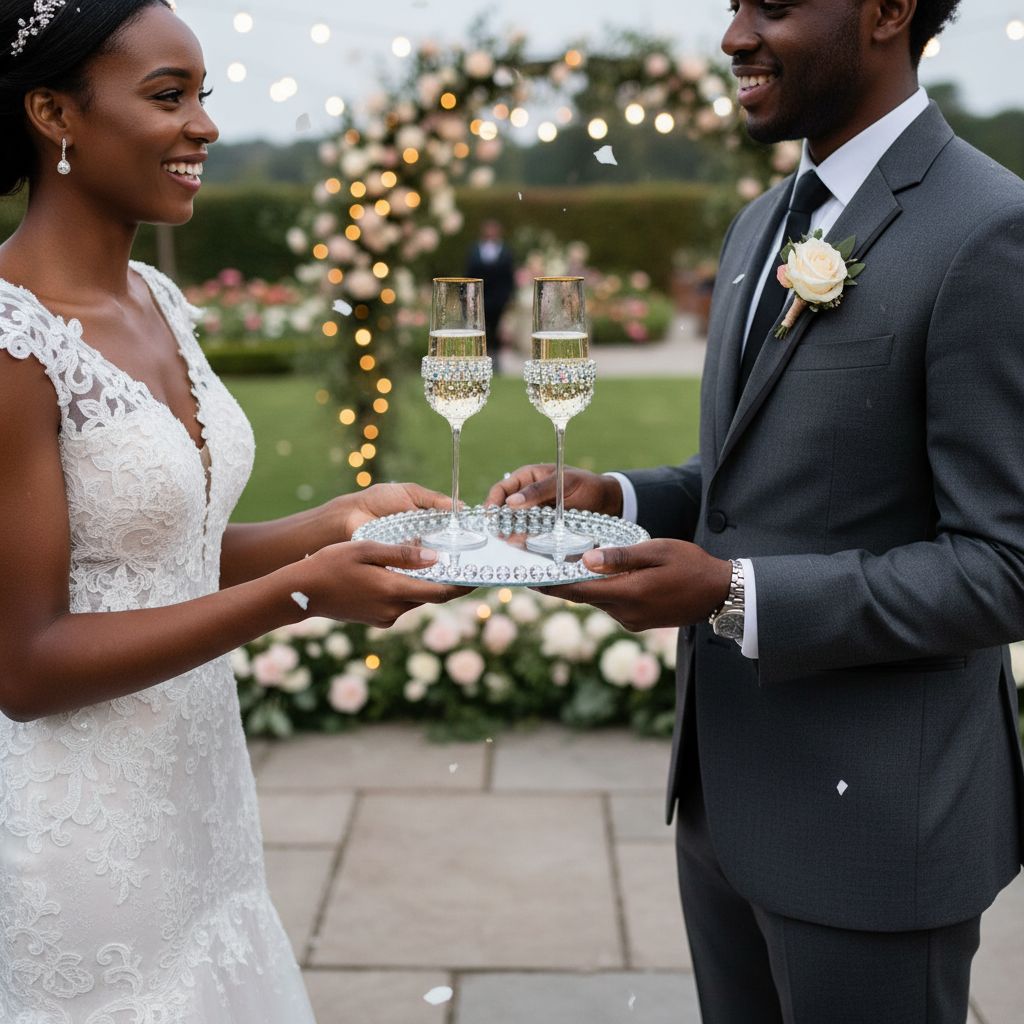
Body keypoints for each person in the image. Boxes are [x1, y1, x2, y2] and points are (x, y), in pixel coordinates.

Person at [489, 0, 1024, 1020]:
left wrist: (731, 594)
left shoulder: (990, 229)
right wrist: (622, 497)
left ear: (887, 10)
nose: (735, 35)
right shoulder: (762, 223)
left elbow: (1003, 567)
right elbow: (759, 478)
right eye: (731, 4)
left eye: (772, 4)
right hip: (723, 805)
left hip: (876, 830)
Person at [0, 2, 463, 1020]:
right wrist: (303, 593)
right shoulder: (11, 341)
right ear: (53, 113)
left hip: (200, 803)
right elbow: (25, 667)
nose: (204, 125)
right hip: (83, 833)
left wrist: (336, 522)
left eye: (202, 95)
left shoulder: (157, 302)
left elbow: (162, 558)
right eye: (168, 96)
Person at [465, 218, 516, 370]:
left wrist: (509, 297)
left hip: (499, 299)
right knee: (480, 328)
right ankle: (480, 357)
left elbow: (509, 276)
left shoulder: (506, 251)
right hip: (479, 297)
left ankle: (495, 360)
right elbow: (469, 273)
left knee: (496, 329)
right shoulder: (474, 250)